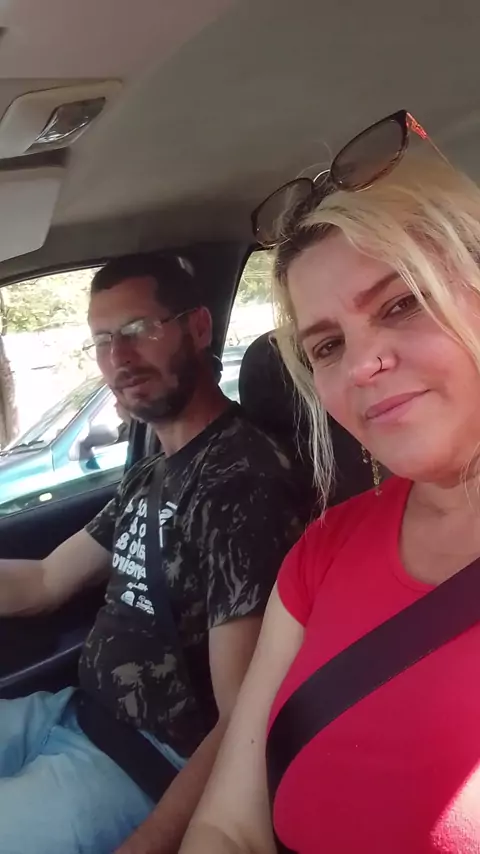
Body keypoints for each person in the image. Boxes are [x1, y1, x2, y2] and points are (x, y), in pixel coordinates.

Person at [181, 112, 480, 854]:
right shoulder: (322, 552)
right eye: (327, 346)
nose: (362, 364)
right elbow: (227, 826)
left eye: (402, 303)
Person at [0, 253, 306, 854]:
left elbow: (241, 718)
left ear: (198, 327)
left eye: (139, 329)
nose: (119, 357)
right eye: (103, 340)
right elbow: (44, 580)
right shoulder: (151, 473)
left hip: (139, 766)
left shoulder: (244, 482)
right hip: (73, 714)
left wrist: (150, 844)